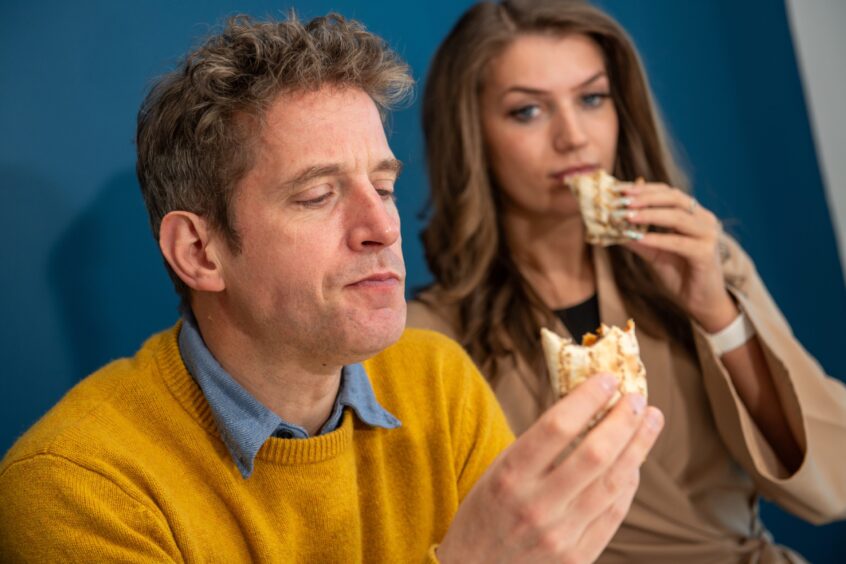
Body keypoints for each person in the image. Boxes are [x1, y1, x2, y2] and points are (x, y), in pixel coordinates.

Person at [0, 12, 664, 562]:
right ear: (199, 251)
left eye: (384, 186)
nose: (382, 227)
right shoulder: (75, 488)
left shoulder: (439, 382)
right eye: (319, 194)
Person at [407, 0, 846, 562]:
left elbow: (829, 483)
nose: (573, 137)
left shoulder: (706, 261)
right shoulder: (430, 341)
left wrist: (718, 314)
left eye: (592, 99)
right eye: (527, 112)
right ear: (472, 135)